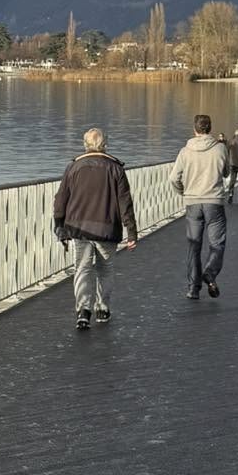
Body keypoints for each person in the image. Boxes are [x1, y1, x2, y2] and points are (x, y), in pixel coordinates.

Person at [52, 127, 137, 329]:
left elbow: (60, 199)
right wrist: (131, 231)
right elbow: (125, 202)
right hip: (107, 228)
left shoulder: (74, 167)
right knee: (105, 269)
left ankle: (83, 310)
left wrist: (59, 225)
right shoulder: (116, 168)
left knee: (82, 268)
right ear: (105, 144)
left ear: (85, 144)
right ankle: (103, 307)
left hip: (79, 227)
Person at [171, 111, 229, 299]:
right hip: (214, 201)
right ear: (210, 128)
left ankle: (193, 288)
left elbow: (173, 178)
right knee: (217, 243)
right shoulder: (220, 149)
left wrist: (184, 192)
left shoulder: (185, 151)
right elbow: (227, 172)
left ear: (194, 129)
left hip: (193, 202)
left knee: (193, 245)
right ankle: (210, 273)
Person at [226, 128, 238, 204]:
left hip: (232, 163)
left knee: (232, 180)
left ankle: (230, 194)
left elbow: (227, 152)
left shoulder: (230, 141)